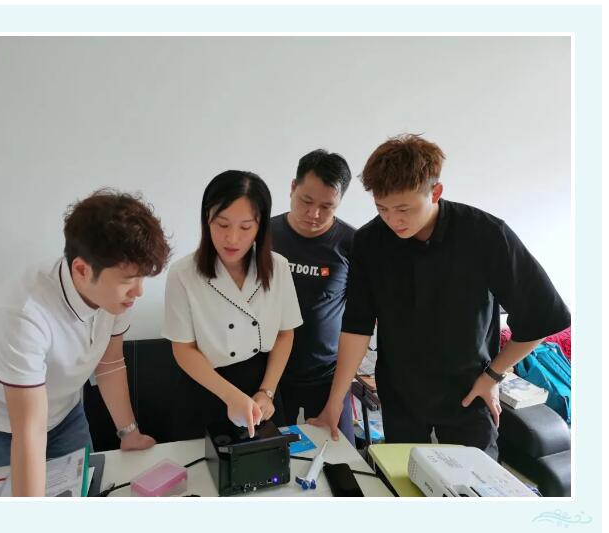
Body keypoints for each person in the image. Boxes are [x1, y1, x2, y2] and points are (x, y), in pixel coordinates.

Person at [309, 134, 570, 459]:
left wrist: (492, 376)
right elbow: (357, 326)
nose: (392, 220)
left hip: (467, 394)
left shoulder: (485, 234)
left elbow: (543, 315)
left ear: (435, 192)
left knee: (473, 484)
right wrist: (336, 401)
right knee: (402, 479)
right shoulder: (370, 241)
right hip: (400, 396)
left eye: (403, 208)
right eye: (382, 208)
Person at [0, 189, 171, 495]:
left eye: (142, 278)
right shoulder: (22, 313)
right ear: (82, 270)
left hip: (66, 413)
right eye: (128, 280)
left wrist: (129, 433)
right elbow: (29, 430)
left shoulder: (116, 298)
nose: (139, 291)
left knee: (84, 495)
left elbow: (110, 363)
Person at [162, 170, 303, 439]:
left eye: (245, 227)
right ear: (207, 219)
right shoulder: (183, 274)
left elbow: (285, 334)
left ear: (260, 226)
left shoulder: (278, 267)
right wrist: (231, 396)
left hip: (263, 387)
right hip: (206, 387)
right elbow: (183, 348)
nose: (232, 238)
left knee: (270, 462)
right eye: (222, 225)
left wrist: (267, 391)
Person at [270, 149, 356, 445]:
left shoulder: (351, 243)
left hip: (326, 375)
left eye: (327, 206)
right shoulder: (263, 235)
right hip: (269, 374)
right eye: (306, 201)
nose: (314, 214)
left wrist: (338, 397)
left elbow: (358, 322)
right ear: (292, 187)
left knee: (338, 454)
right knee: (272, 458)